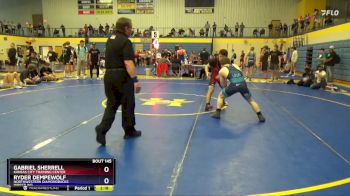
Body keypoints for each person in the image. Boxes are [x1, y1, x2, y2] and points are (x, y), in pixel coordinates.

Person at [95, 17, 142, 145]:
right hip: (121, 76)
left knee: (112, 105)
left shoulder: (110, 39)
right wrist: (135, 80)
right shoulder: (126, 41)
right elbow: (128, 62)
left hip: (109, 75)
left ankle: (101, 129)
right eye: (131, 28)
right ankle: (129, 131)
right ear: (126, 28)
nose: (131, 30)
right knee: (128, 104)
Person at [211, 56, 265, 122]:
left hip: (233, 85)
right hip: (243, 84)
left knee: (220, 96)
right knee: (251, 100)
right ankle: (260, 116)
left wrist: (225, 85)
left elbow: (223, 85)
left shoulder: (222, 70)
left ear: (221, 64)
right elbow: (240, 74)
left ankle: (217, 113)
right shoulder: (235, 65)